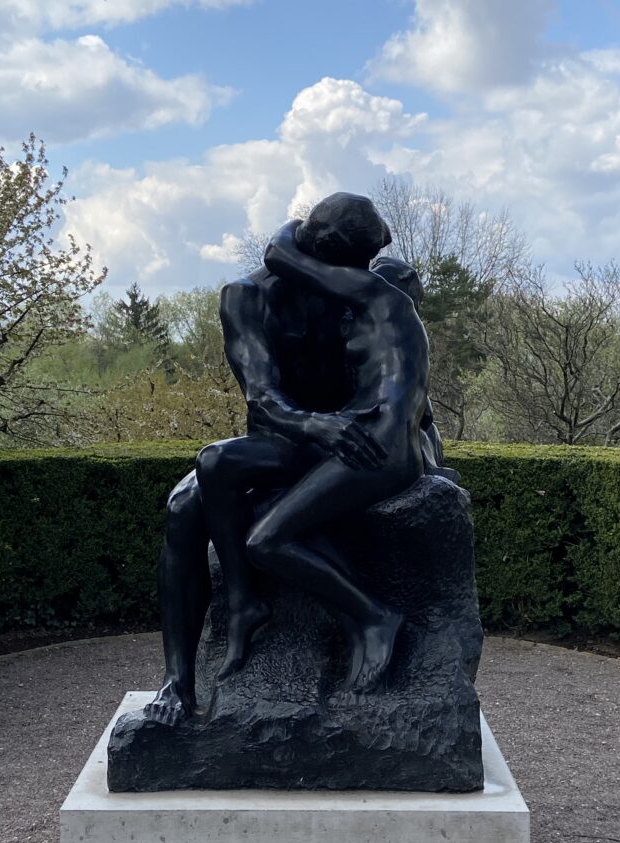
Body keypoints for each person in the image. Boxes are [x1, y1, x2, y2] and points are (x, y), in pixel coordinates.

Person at [147, 194, 394, 725]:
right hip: (285, 438)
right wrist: (315, 424)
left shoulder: (363, 283)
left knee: (216, 470)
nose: (360, 276)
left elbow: (401, 369)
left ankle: (247, 602)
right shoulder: (247, 297)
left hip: (354, 436)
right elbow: (261, 396)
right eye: (352, 266)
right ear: (324, 254)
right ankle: (178, 679)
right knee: (183, 509)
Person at [235, 223, 430, 693]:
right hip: (379, 441)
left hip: (378, 450)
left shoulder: (373, 292)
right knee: (268, 517)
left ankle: (373, 617)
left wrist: (298, 228)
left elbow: (279, 255)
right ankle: (359, 619)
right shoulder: (378, 307)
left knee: (264, 541)